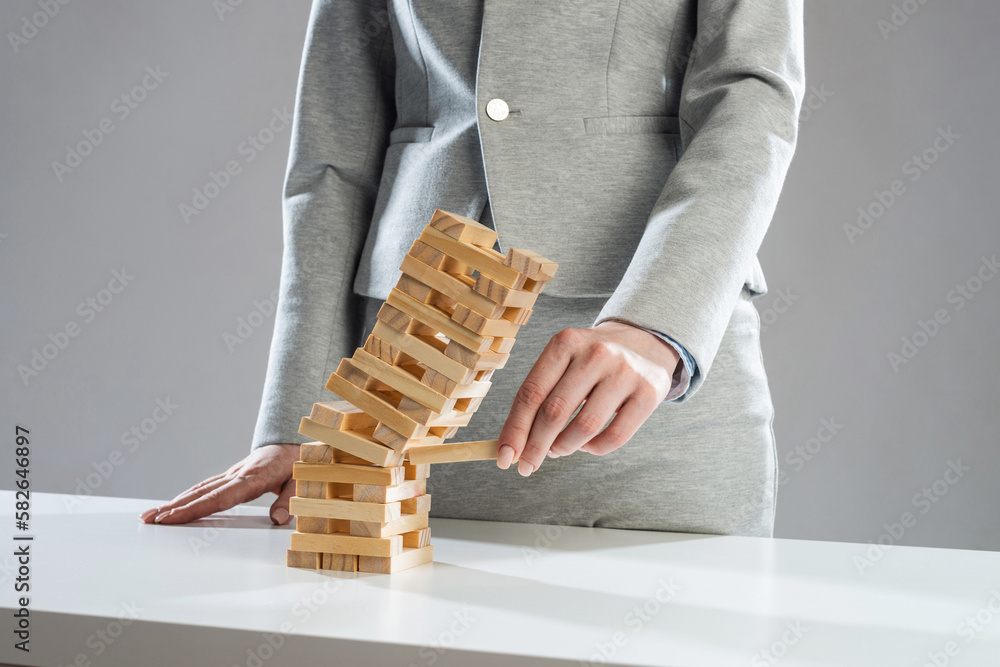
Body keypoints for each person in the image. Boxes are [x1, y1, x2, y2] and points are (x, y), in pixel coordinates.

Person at [142, 0, 804, 536]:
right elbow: (333, 157)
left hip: (649, 414)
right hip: (397, 403)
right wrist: (297, 416)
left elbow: (751, 97)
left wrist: (657, 325)